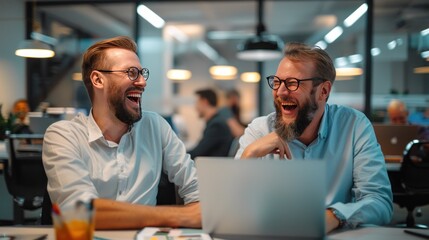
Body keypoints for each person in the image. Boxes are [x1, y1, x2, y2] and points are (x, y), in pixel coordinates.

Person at [42, 36, 201, 230]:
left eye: (142, 73)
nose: (142, 82)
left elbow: (197, 192)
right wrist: (179, 216)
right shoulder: (63, 135)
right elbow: (79, 212)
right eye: (132, 73)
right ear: (98, 79)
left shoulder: (155, 126)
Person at [235, 42, 392, 233]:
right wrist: (249, 155)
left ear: (323, 91)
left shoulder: (354, 125)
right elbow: (231, 209)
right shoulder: (259, 130)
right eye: (277, 82)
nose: (281, 92)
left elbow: (379, 201)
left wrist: (334, 216)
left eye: (293, 83)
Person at [188, 89, 234, 159]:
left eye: (197, 103)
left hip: (212, 167)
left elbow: (198, 152)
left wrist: (179, 157)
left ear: (204, 102)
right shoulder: (216, 122)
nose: (196, 107)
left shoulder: (216, 126)